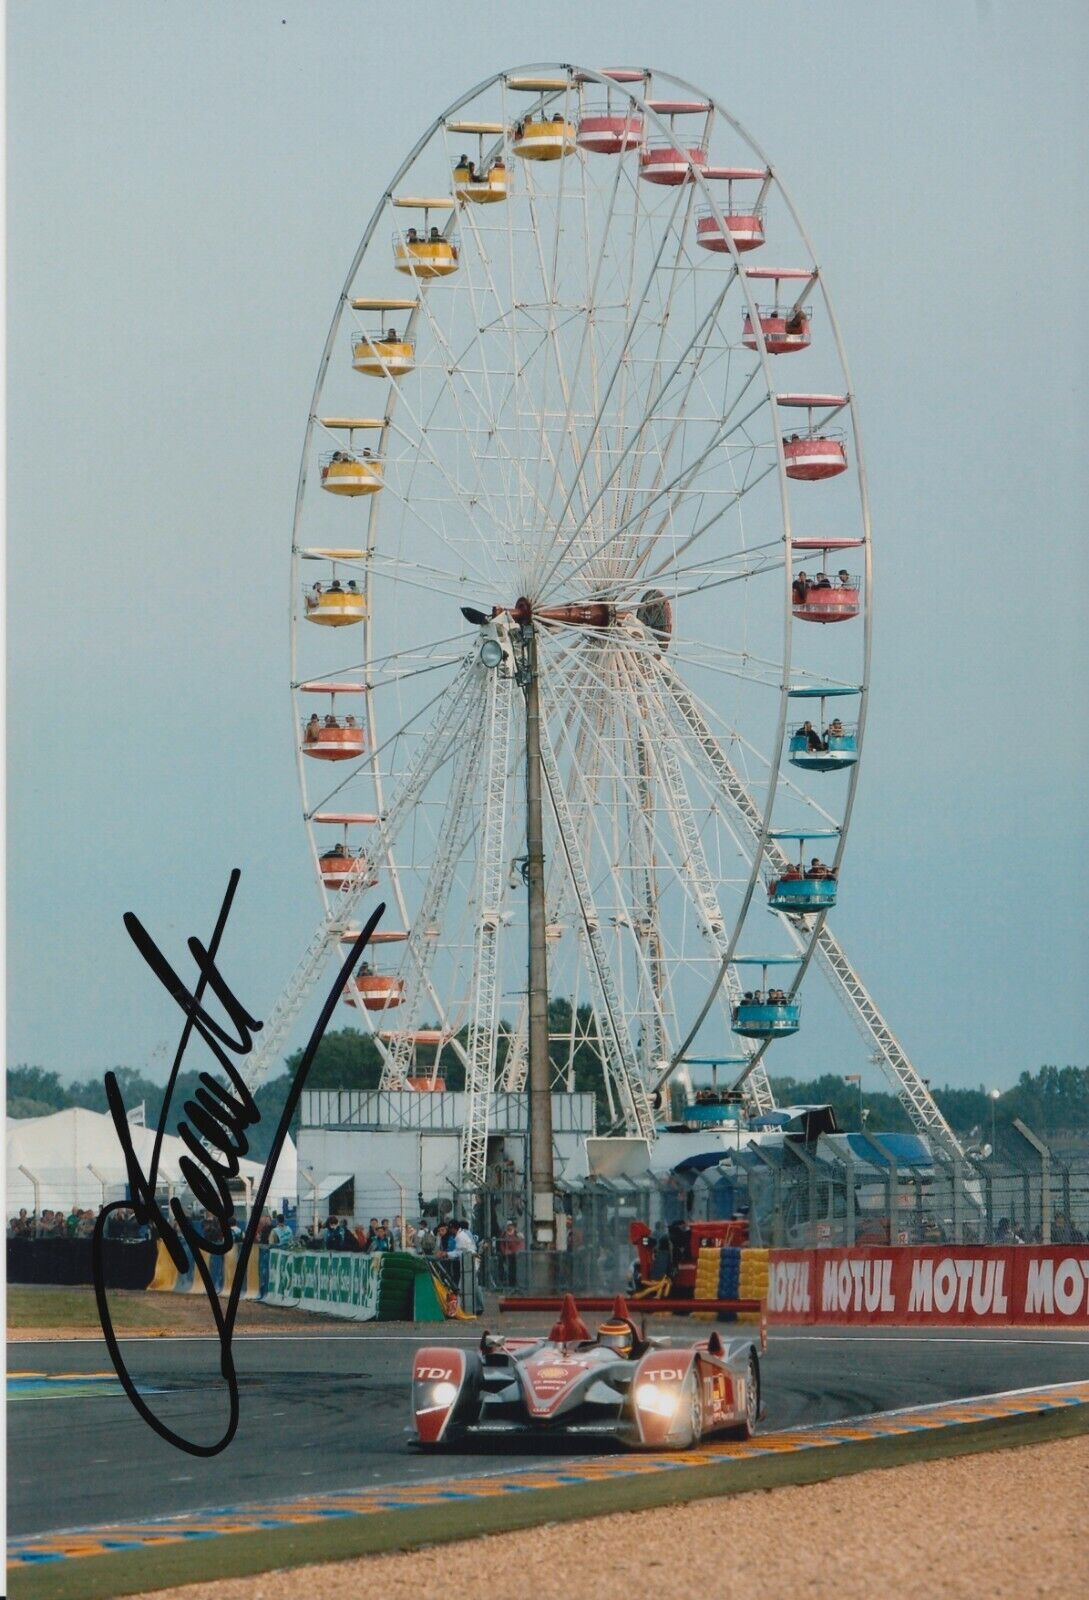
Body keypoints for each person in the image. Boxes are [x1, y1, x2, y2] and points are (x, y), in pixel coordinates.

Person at [497, 1221, 523, 1287]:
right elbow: (502, 1245)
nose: (510, 1227)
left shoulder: (517, 1234)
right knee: (507, 1268)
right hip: (507, 1254)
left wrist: (518, 1251)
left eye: (511, 1225)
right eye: (509, 1225)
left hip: (515, 1254)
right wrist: (505, 1251)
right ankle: (506, 1283)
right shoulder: (504, 1234)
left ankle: (513, 1283)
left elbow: (521, 1244)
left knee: (514, 1269)